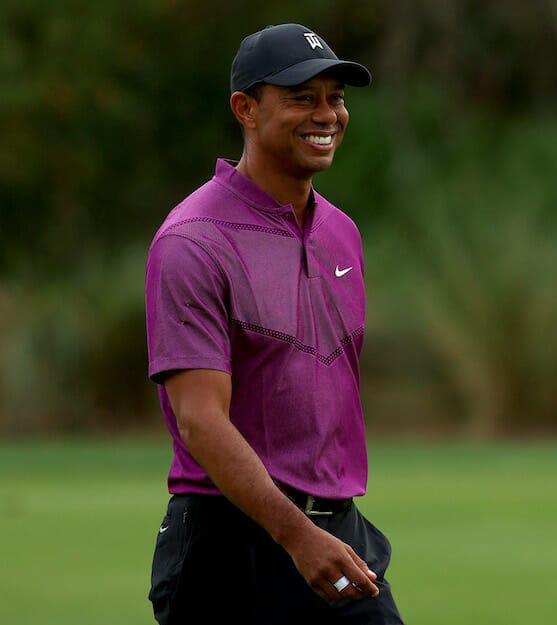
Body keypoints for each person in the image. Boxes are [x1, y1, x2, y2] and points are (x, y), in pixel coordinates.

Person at [144, 23, 404, 625]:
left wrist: (318, 532)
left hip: (337, 531)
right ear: (246, 109)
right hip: (227, 551)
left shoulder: (342, 232)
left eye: (335, 97)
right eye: (302, 98)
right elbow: (200, 420)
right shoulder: (193, 241)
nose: (327, 114)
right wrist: (295, 536)